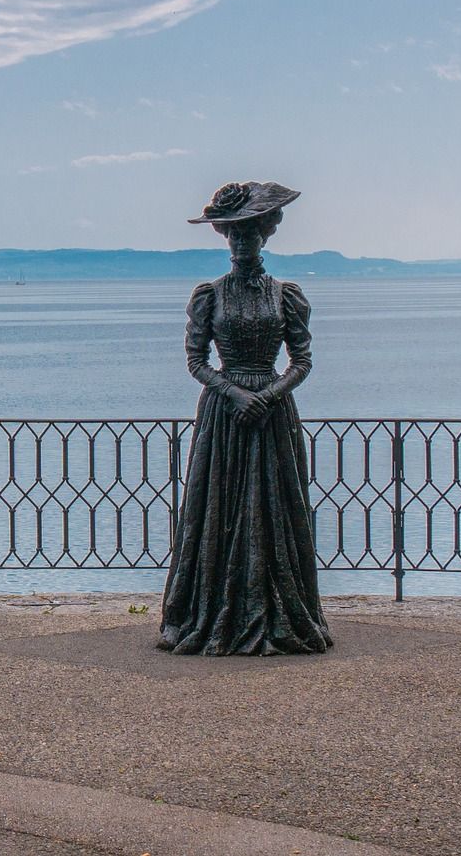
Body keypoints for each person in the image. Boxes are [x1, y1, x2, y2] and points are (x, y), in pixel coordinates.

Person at [157, 181, 332, 655]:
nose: (240, 243)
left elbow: (302, 360)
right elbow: (195, 361)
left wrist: (269, 394)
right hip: (225, 413)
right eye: (233, 235)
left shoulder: (285, 294)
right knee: (219, 508)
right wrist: (233, 392)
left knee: (274, 509)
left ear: (263, 235)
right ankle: (211, 612)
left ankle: (277, 612)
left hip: (271, 414)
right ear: (224, 238)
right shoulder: (209, 295)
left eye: (248, 234)